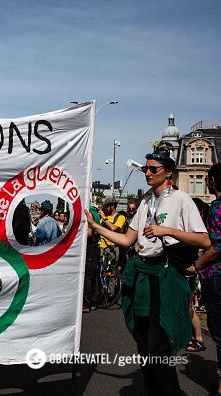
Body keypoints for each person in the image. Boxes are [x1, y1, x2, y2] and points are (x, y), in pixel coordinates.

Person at [86, 146, 210, 396]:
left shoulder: (181, 200)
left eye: (154, 169)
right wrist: (95, 226)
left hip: (164, 278)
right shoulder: (145, 201)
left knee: (158, 346)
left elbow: (204, 241)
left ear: (169, 173)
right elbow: (127, 240)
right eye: (146, 168)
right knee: (143, 344)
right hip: (142, 276)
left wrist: (168, 230)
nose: (147, 173)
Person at [195, 163, 221, 395]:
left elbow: (217, 246)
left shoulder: (217, 207)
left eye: (208, 178)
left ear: (213, 181)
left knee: (219, 332)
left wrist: (198, 265)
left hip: (216, 275)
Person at [185, 198, 209, 353]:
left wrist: (196, 266)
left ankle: (198, 338)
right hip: (189, 270)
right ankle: (190, 337)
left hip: (193, 271)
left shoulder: (200, 231)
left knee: (189, 306)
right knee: (186, 306)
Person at [97, 197, 126, 267]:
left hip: (112, 248)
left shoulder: (121, 217)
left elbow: (113, 228)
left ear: (112, 206)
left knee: (111, 271)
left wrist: (104, 218)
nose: (105, 208)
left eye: (107, 206)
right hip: (101, 247)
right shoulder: (105, 216)